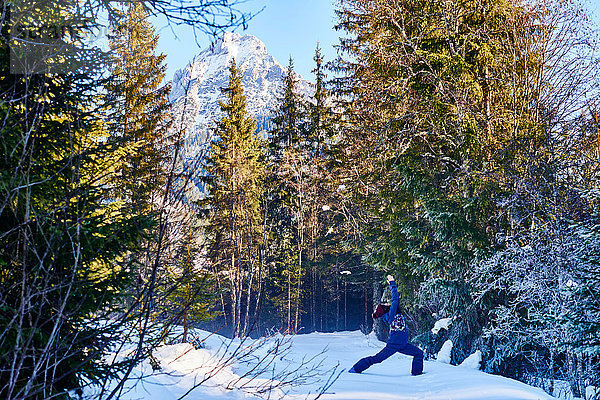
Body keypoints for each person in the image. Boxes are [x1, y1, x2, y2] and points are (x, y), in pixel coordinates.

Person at [349, 274, 424, 376]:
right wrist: (392, 283)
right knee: (377, 359)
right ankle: (356, 368)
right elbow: (396, 299)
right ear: (385, 310)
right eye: (385, 305)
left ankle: (417, 374)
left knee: (419, 353)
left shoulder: (395, 313)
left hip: (402, 345)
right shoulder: (392, 314)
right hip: (393, 345)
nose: (387, 304)